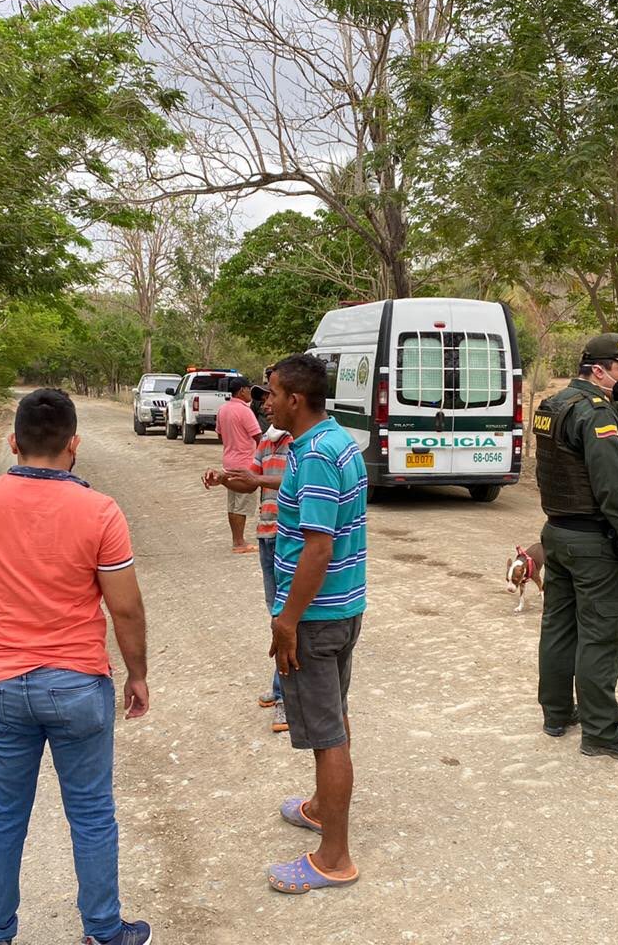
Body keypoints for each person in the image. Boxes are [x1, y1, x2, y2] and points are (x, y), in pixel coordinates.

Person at [0, 388, 152, 945]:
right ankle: (104, 931)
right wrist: (136, 674)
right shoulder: (99, 511)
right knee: (91, 814)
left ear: (12, 441)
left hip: (0, 682)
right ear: (75, 444)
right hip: (77, 682)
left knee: (0, 817)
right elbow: (125, 606)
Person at [262, 353, 367, 895]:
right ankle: (321, 807)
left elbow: (318, 547)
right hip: (342, 610)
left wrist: (287, 620)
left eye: (272, 393)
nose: (266, 401)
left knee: (327, 736)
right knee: (335, 717)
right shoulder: (336, 440)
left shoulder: (317, 456)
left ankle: (334, 857)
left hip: (318, 617)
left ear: (295, 400)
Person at [532, 333, 618, 762]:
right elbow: (613, 491)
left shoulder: (553, 404)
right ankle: (602, 731)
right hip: (594, 542)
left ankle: (555, 712)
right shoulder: (595, 413)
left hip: (558, 533)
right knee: (601, 635)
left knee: (559, 627)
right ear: (598, 370)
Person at [203, 381, 293, 734]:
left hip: (292, 539)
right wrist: (224, 478)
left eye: (271, 396)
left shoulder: (305, 442)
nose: (265, 403)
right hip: (268, 535)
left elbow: (293, 481)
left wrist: (256, 478)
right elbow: (250, 482)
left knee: (286, 618)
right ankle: (279, 688)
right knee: (278, 615)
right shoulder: (268, 441)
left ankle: (286, 699)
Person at [217, 375, 262, 554]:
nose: (250, 392)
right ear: (242, 390)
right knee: (242, 504)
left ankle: (237, 539)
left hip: (229, 461)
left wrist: (232, 444)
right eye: (249, 389)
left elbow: (220, 434)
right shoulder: (245, 411)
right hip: (245, 463)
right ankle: (239, 542)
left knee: (233, 503)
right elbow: (258, 436)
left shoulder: (223, 409)